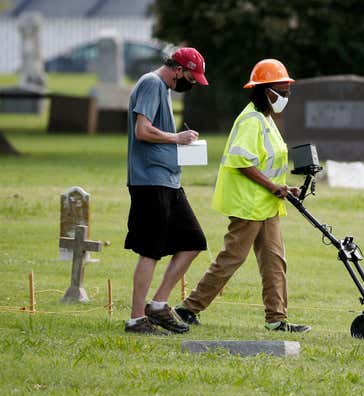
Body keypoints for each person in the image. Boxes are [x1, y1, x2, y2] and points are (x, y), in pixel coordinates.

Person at [174, 59, 311, 333]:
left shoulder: (267, 119)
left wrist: (285, 187)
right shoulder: (251, 120)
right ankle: (188, 309)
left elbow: (267, 162)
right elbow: (242, 161)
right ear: (265, 90)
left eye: (288, 91)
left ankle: (276, 320)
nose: (285, 96)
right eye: (281, 91)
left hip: (267, 204)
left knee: (274, 261)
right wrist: (273, 187)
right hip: (248, 204)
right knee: (232, 258)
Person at [124, 47, 209, 335]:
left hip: (169, 180)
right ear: (178, 69)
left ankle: (158, 304)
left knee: (193, 240)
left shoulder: (164, 89)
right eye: (191, 77)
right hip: (149, 180)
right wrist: (177, 138)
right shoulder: (151, 83)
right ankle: (136, 319)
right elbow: (142, 130)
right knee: (151, 249)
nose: (192, 83)